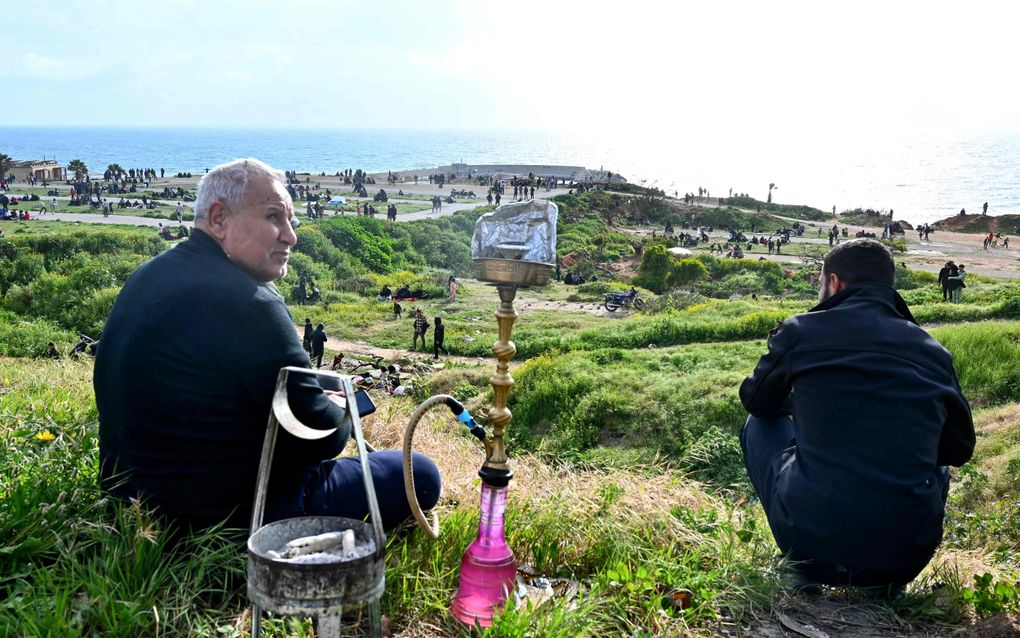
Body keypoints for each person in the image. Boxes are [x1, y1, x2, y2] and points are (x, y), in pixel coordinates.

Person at [95, 158, 440, 533]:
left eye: (290, 220)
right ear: (219, 219)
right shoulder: (250, 302)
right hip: (223, 517)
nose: (290, 236)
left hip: (129, 500)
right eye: (274, 217)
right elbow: (316, 439)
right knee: (418, 473)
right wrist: (342, 411)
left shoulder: (147, 275)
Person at [739, 239, 973, 593]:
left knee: (758, 425)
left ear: (834, 283)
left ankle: (799, 567)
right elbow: (958, 450)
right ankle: (886, 581)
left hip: (812, 542)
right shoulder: (933, 351)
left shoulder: (802, 330)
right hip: (905, 557)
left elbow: (756, 401)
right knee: (935, 463)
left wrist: (800, 406)